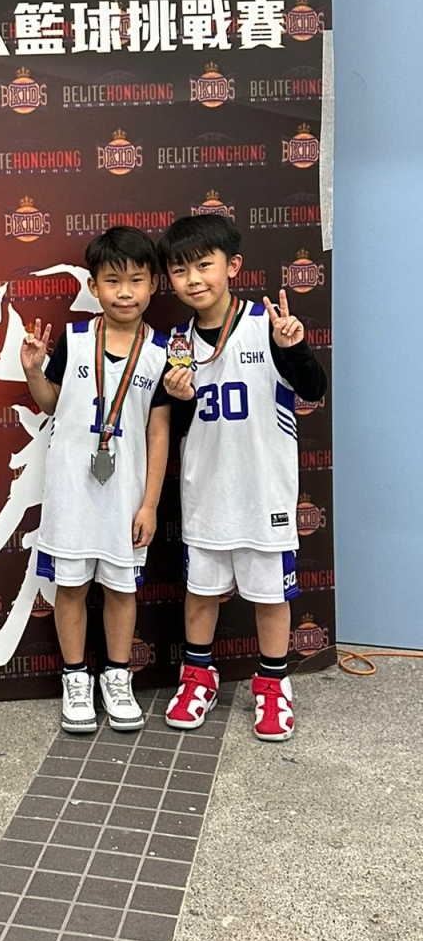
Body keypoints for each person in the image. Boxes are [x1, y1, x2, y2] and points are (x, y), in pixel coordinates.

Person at [159, 215, 327, 742]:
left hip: (263, 492)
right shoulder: (177, 343)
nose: (193, 279)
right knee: (201, 592)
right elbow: (177, 426)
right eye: (180, 270)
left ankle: (273, 683)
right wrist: (180, 399)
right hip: (206, 492)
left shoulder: (265, 324)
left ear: (232, 266)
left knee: (271, 595)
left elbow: (314, 389)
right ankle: (198, 676)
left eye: (203, 265)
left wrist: (294, 348)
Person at [21, 227, 171, 734]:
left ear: (153, 284)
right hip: (72, 492)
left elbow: (158, 432)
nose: (124, 292)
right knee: (71, 587)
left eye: (136, 280)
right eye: (112, 281)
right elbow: (51, 402)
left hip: (126, 497)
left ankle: (117, 676)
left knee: (122, 591)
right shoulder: (76, 339)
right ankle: (75, 678)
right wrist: (34, 372)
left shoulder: (162, 352)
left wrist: (149, 504)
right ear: (93, 285)